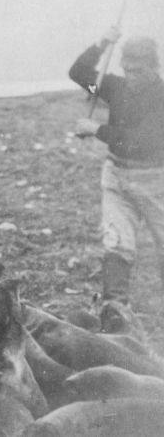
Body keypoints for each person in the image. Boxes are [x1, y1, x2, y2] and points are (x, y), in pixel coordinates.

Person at [70, 27, 164, 304]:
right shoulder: (115, 87)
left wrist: (96, 129)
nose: (131, 77)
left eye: (137, 71)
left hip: (154, 180)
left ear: (153, 66)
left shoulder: (161, 97)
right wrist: (101, 44)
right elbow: (79, 74)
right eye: (127, 70)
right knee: (116, 242)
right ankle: (115, 313)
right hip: (115, 177)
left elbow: (140, 143)